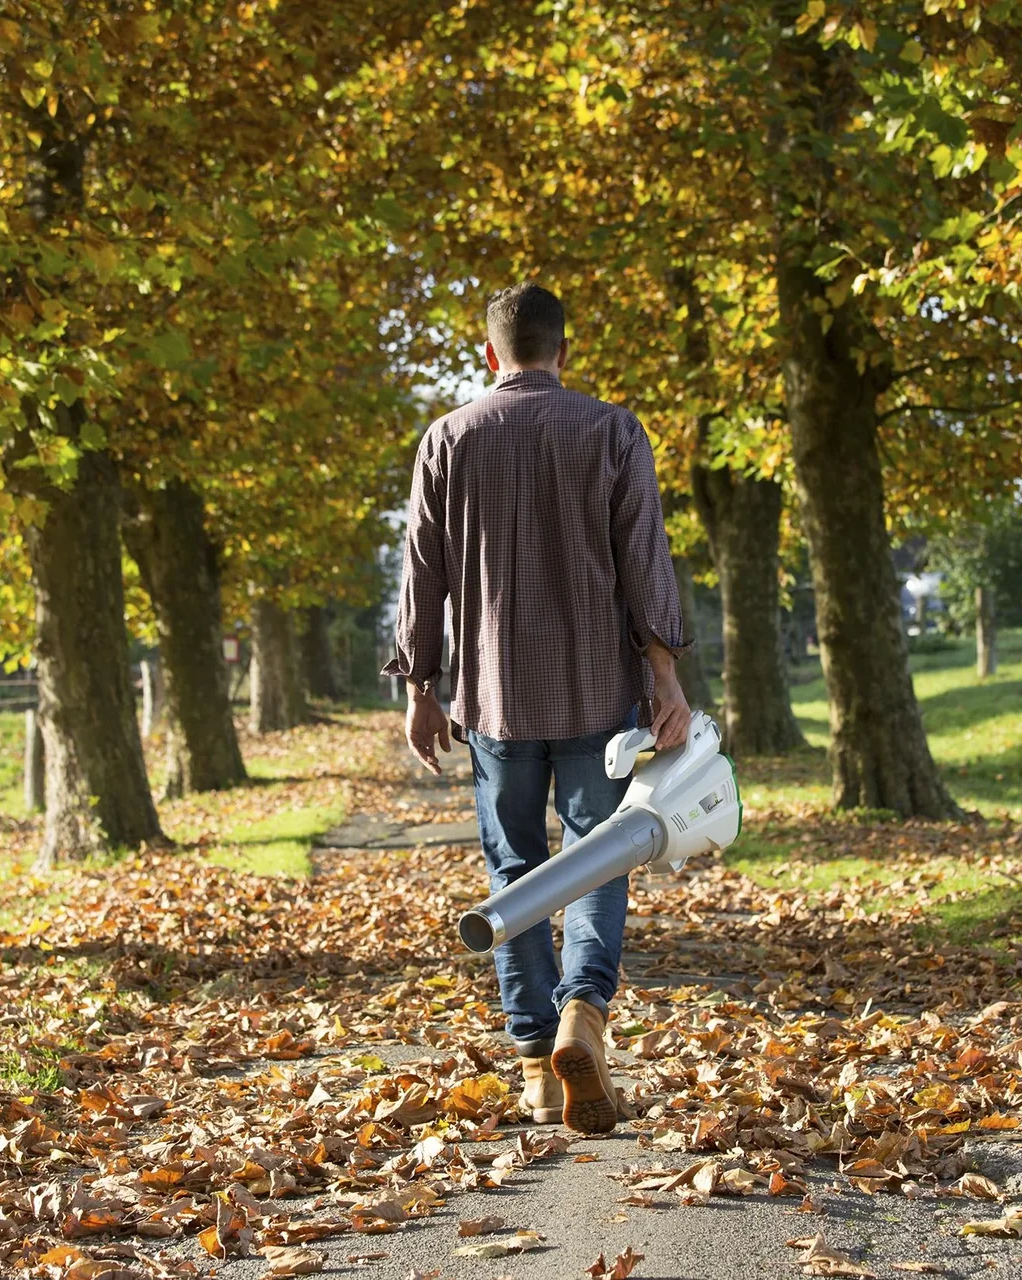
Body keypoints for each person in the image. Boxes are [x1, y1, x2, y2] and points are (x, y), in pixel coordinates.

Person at [384, 282, 692, 1135]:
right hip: (600, 692)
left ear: (491, 355)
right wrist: (663, 673)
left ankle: (535, 1069)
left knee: (514, 867)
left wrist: (419, 686)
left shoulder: (446, 440)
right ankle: (581, 1016)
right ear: (565, 351)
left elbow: (424, 573)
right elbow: (644, 559)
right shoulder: (613, 431)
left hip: (492, 696)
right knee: (596, 859)